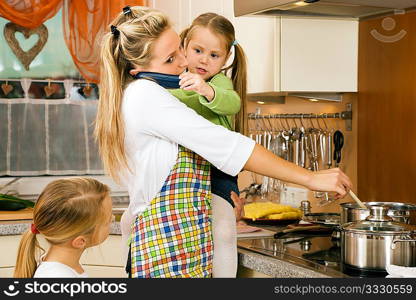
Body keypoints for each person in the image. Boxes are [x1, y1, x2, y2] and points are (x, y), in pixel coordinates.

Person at [95, 6, 352, 278]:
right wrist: (311, 178)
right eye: (171, 59)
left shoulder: (147, 95)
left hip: (182, 250)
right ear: (137, 70)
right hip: (167, 255)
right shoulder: (146, 96)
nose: (184, 62)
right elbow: (229, 147)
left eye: (180, 50)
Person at [167, 12, 248, 277]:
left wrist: (205, 90)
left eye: (214, 55)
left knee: (223, 229)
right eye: (198, 50)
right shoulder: (172, 80)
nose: (204, 59)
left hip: (217, 172)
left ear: (226, 59)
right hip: (185, 171)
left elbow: (231, 102)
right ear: (184, 47)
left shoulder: (218, 82)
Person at [13, 177, 113, 278]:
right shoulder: (57, 276)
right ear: (80, 241)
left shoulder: (62, 265)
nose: (113, 218)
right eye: (108, 220)